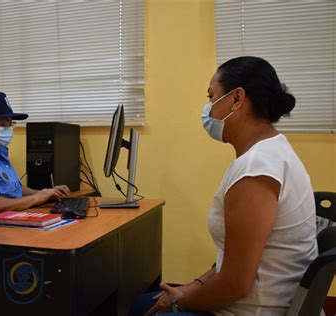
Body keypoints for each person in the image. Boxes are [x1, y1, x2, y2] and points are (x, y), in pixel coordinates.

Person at [129, 56, 318, 316]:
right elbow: (232, 260)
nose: (208, 109)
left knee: (145, 306)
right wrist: (192, 287)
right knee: (144, 303)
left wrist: (177, 302)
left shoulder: (256, 170)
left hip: (255, 310)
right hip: (258, 301)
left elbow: (235, 285)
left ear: (236, 99)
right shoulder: (270, 152)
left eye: (211, 97)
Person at [0, 91, 71, 217]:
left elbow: (15, 190)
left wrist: (46, 193)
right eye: (3, 124)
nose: (8, 128)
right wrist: (36, 198)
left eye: (10, 123)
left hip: (10, 219)